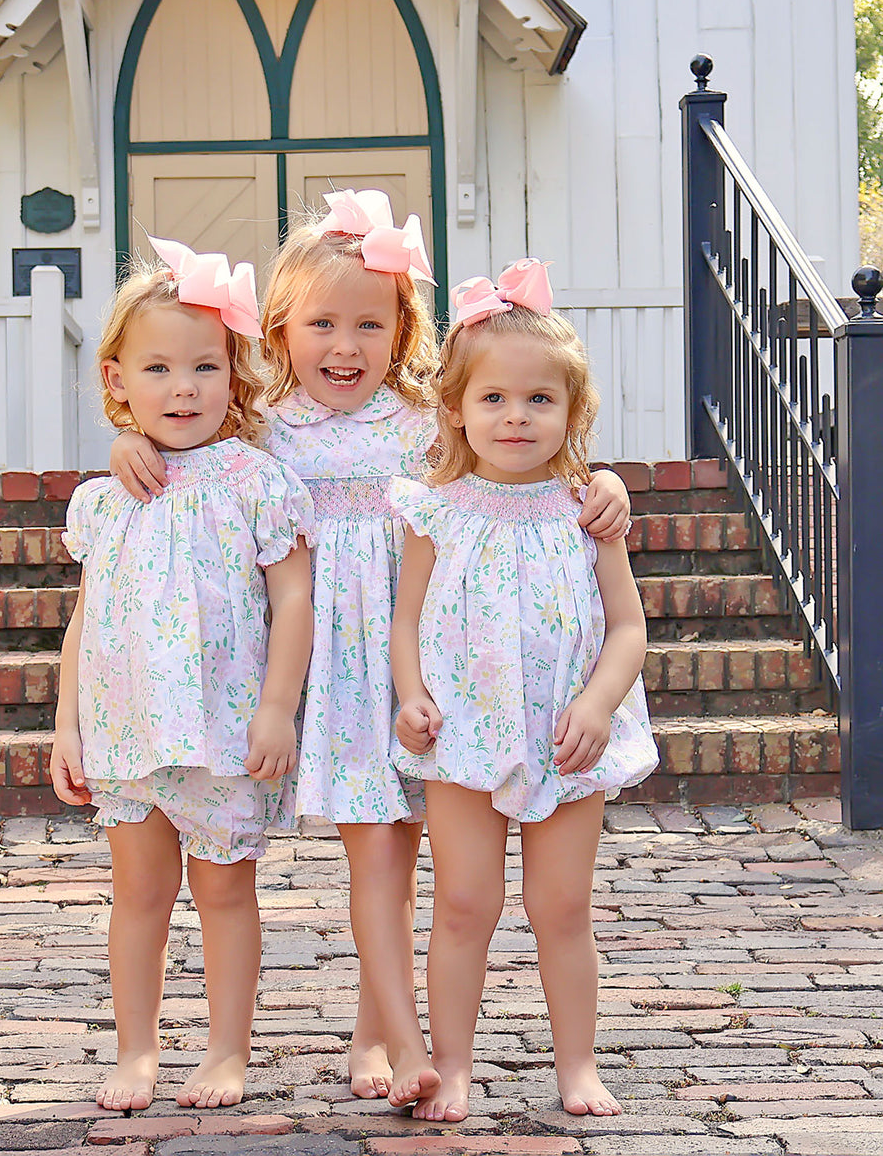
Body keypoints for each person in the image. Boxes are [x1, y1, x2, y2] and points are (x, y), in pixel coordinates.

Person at [111, 192, 633, 1110]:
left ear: (404, 329)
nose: (343, 346)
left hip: (434, 659)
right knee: (372, 852)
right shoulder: (262, 423)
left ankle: (376, 1035)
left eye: (368, 322)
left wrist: (611, 481)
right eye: (321, 323)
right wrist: (124, 447)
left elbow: (526, 442)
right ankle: (402, 1033)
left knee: (420, 848)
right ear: (278, 330)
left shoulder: (427, 420)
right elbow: (181, 441)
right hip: (327, 661)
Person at [390, 260, 659, 1122]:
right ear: (457, 410)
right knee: (465, 903)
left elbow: (628, 628)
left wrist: (597, 704)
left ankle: (577, 1066)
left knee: (561, 906)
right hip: (461, 735)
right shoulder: (436, 510)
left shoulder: (587, 507)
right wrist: (410, 694)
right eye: (494, 399)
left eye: (539, 400)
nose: (515, 417)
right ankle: (457, 1067)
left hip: (564, 735)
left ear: (572, 413)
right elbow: (407, 623)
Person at [50, 237, 315, 1113]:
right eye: (158, 368)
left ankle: (227, 1051)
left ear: (234, 378)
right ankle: (135, 1052)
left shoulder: (256, 480)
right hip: (128, 731)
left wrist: (278, 708)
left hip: (223, 728)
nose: (183, 387)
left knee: (224, 892)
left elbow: (294, 600)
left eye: (204, 366)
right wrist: (67, 725)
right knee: (139, 895)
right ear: (118, 380)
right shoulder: (105, 494)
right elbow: (87, 618)